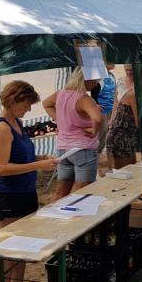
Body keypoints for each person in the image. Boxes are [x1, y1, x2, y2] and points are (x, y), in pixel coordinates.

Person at [0, 81, 58, 282]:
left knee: (23, 248)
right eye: (26, 104)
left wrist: (40, 158)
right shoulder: (1, 128)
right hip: (10, 196)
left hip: (27, 192)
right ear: (14, 100)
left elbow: (20, 156)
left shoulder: (17, 124)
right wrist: (39, 165)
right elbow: (2, 168)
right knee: (8, 251)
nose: (29, 109)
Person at [42, 67, 102, 201]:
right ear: (86, 79)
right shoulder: (84, 98)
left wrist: (60, 120)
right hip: (83, 148)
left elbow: (46, 103)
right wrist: (94, 130)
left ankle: (52, 213)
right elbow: (98, 118)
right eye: (95, 80)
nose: (96, 84)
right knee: (82, 193)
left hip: (63, 149)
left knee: (60, 192)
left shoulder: (61, 94)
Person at [105, 65, 140, 170]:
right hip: (121, 130)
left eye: (131, 70)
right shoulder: (121, 82)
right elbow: (116, 102)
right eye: (126, 70)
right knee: (124, 170)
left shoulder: (138, 84)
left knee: (130, 167)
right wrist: (111, 120)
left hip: (127, 130)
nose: (129, 72)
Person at [95, 64, 117, 154]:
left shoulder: (111, 75)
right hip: (101, 110)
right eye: (111, 61)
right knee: (102, 133)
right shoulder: (97, 76)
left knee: (110, 132)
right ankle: (96, 154)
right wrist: (95, 104)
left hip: (111, 109)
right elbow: (91, 92)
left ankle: (105, 154)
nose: (114, 63)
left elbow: (115, 92)